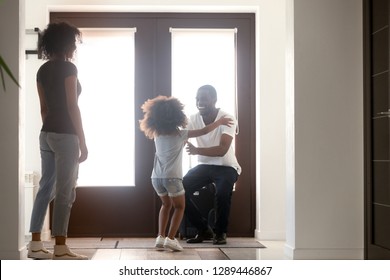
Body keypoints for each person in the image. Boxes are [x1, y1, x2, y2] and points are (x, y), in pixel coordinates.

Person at [139, 95, 232, 251]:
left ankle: (160, 238)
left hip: (156, 178)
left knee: (166, 205)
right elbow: (204, 131)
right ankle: (171, 239)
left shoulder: (156, 134)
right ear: (177, 116)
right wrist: (220, 122)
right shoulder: (181, 134)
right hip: (172, 178)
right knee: (180, 207)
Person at [27, 22, 88, 260]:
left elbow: (44, 108)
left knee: (45, 188)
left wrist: (51, 128)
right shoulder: (68, 68)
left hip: (46, 134)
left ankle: (34, 244)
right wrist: (82, 141)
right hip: (66, 135)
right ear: (66, 44)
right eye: (73, 43)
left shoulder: (42, 70)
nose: (74, 47)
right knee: (65, 191)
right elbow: (72, 106)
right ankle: (60, 247)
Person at [183, 85, 241, 245]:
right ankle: (203, 229)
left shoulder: (227, 118)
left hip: (226, 166)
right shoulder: (193, 118)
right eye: (197, 98)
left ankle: (220, 232)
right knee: (179, 190)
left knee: (222, 193)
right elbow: (181, 137)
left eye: (204, 98)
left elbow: (222, 150)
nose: (199, 102)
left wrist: (196, 150)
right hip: (205, 165)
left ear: (214, 100)